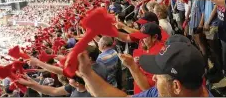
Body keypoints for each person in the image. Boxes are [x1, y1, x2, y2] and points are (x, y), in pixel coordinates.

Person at [76, 42, 212, 97]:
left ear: (176, 86)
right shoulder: (162, 92)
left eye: (158, 75)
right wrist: (87, 73)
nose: (153, 78)